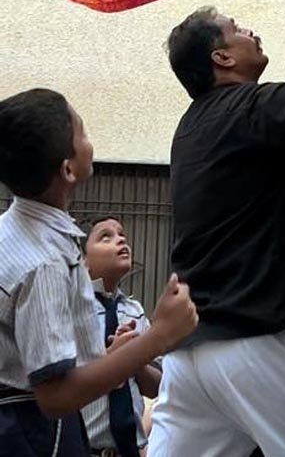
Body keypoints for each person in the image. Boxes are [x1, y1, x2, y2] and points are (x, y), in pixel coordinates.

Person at [0, 89, 196, 457]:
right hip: (32, 436)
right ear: (68, 170)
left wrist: (112, 357)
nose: (90, 142)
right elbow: (56, 396)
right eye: (83, 134)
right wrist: (159, 337)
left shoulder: (12, 233)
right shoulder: (44, 261)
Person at [82, 216, 161, 457]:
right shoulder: (72, 311)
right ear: (83, 261)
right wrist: (112, 361)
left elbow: (157, 387)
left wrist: (133, 361)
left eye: (121, 234)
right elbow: (58, 385)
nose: (120, 240)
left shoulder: (134, 312)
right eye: (106, 236)